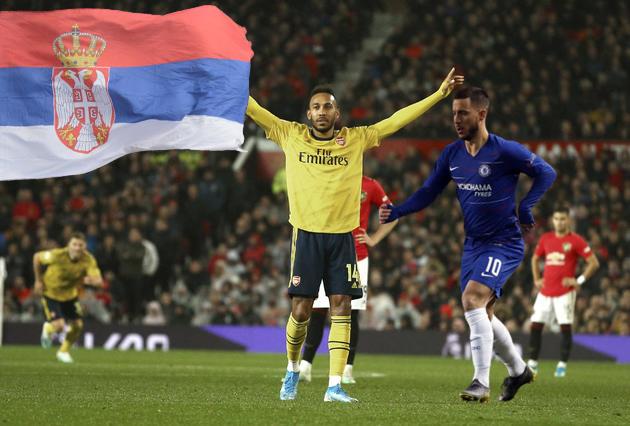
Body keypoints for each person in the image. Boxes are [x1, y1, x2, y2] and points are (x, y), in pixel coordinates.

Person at [246, 68, 464, 402]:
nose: (322, 111)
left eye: (327, 106)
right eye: (316, 107)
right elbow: (253, 109)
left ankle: (334, 385)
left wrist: (438, 95)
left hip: (343, 238)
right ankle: (291, 369)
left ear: (337, 113)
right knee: (301, 311)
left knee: (342, 306)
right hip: (307, 236)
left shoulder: (355, 138)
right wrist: (225, 77)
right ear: (308, 114)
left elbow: (395, 121)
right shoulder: (290, 134)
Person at [379, 86, 557, 403]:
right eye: (454, 114)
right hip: (473, 245)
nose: (457, 120)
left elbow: (546, 172)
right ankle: (519, 371)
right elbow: (428, 191)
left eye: (463, 113)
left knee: (472, 298)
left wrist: (527, 205)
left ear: (482, 114)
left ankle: (480, 383)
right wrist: (399, 211)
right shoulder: (453, 154)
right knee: (481, 310)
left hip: (504, 243)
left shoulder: (505, 151)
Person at [299, 176, 398, 384]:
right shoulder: (330, 178)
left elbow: (392, 214)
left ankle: (347, 369)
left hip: (357, 256)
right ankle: (305, 366)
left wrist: (374, 238)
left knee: (350, 313)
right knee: (318, 309)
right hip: (327, 253)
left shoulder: (370, 185)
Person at [527, 205, 599, 377]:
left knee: (565, 327)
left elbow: (594, 262)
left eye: (563, 219)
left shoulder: (576, 240)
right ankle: (532, 363)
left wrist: (578, 280)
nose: (559, 222)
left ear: (569, 220)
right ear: (553, 220)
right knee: (535, 324)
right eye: (557, 219)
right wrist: (537, 279)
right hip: (545, 291)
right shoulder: (546, 238)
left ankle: (562, 364)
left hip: (565, 292)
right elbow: (535, 258)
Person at [34, 232, 103, 363]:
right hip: (51, 293)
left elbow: (98, 280)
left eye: (80, 245)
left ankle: (63, 351)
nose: (77, 248)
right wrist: (38, 280)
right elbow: (37, 257)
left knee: (78, 325)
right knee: (59, 326)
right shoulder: (57, 255)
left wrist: (92, 281)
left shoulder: (88, 259)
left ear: (85, 247)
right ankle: (48, 328)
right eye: (74, 244)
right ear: (68, 245)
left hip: (70, 295)